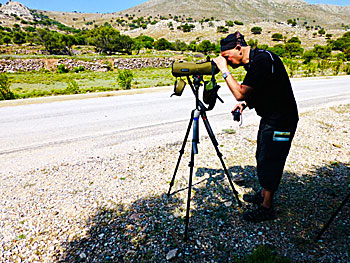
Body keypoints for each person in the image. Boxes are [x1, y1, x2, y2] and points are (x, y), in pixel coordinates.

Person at [213, 31, 299, 223]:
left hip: (281, 120)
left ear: (237, 48)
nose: (227, 61)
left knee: (271, 159)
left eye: (227, 57)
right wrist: (245, 105)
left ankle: (267, 207)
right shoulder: (256, 61)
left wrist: (223, 70)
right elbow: (262, 90)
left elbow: (240, 93)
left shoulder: (262, 61)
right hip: (271, 118)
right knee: (262, 154)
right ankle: (262, 194)